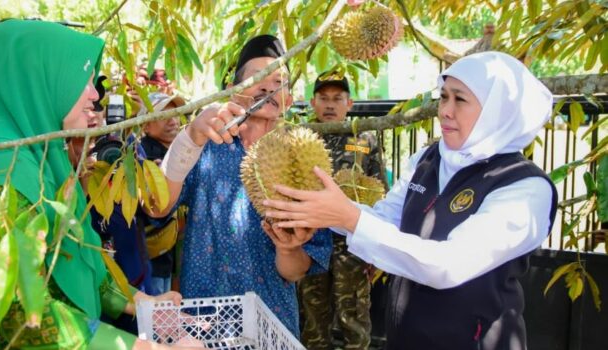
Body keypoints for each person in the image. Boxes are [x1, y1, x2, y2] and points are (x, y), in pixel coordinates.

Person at [0, 19, 202, 349]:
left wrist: (140, 302)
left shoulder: (40, 163)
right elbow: (25, 318)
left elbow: (78, 263)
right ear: (34, 83)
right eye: (83, 81)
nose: (94, 95)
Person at [262, 51, 559, 349]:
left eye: (460, 99)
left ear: (497, 111)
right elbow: (385, 219)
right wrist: (323, 210)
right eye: (443, 97)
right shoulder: (427, 160)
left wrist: (347, 217)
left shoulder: (525, 188)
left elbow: (449, 264)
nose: (445, 110)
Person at [152, 34, 332, 337]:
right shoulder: (206, 147)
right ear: (232, 92)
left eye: (278, 82)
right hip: (204, 325)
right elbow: (158, 205)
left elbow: (297, 270)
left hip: (272, 325)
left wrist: (288, 247)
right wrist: (189, 138)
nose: (267, 87)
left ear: (288, 99)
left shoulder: (305, 160)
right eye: (257, 77)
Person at [298, 72, 384, 349]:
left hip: (352, 243)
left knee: (354, 319)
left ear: (350, 103)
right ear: (313, 102)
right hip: (311, 240)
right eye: (324, 98)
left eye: (337, 98)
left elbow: (380, 191)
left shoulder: (364, 137)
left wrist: (376, 247)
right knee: (313, 320)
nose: (330, 105)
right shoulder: (301, 137)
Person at [138, 92, 186, 295]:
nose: (172, 121)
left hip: (167, 259)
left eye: (174, 114)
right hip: (152, 259)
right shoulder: (145, 157)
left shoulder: (176, 152)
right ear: (146, 126)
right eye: (162, 116)